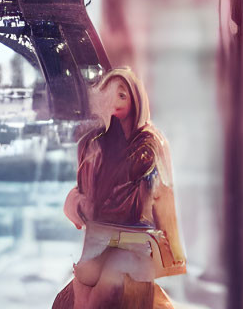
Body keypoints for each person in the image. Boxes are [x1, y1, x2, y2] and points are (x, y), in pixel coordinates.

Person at [53, 67, 186, 309]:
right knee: (77, 295)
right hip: (98, 240)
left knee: (103, 292)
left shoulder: (148, 144)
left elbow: (136, 191)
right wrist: (77, 203)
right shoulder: (94, 142)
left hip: (134, 243)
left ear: (135, 99)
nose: (114, 102)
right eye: (109, 94)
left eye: (122, 95)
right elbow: (85, 196)